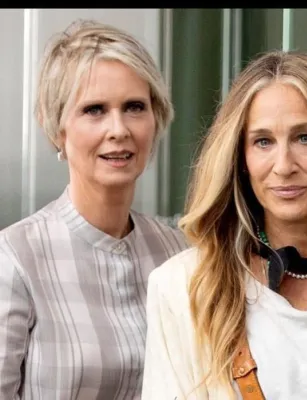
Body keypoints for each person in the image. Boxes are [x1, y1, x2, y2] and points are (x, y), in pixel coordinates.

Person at [142, 50, 307, 400]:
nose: (284, 165)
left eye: (305, 137)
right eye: (263, 141)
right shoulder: (183, 287)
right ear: (241, 158)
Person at [0, 19, 187, 399]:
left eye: (134, 107)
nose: (118, 129)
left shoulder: (179, 253)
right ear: (57, 128)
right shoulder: (15, 259)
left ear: (157, 119)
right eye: (94, 110)